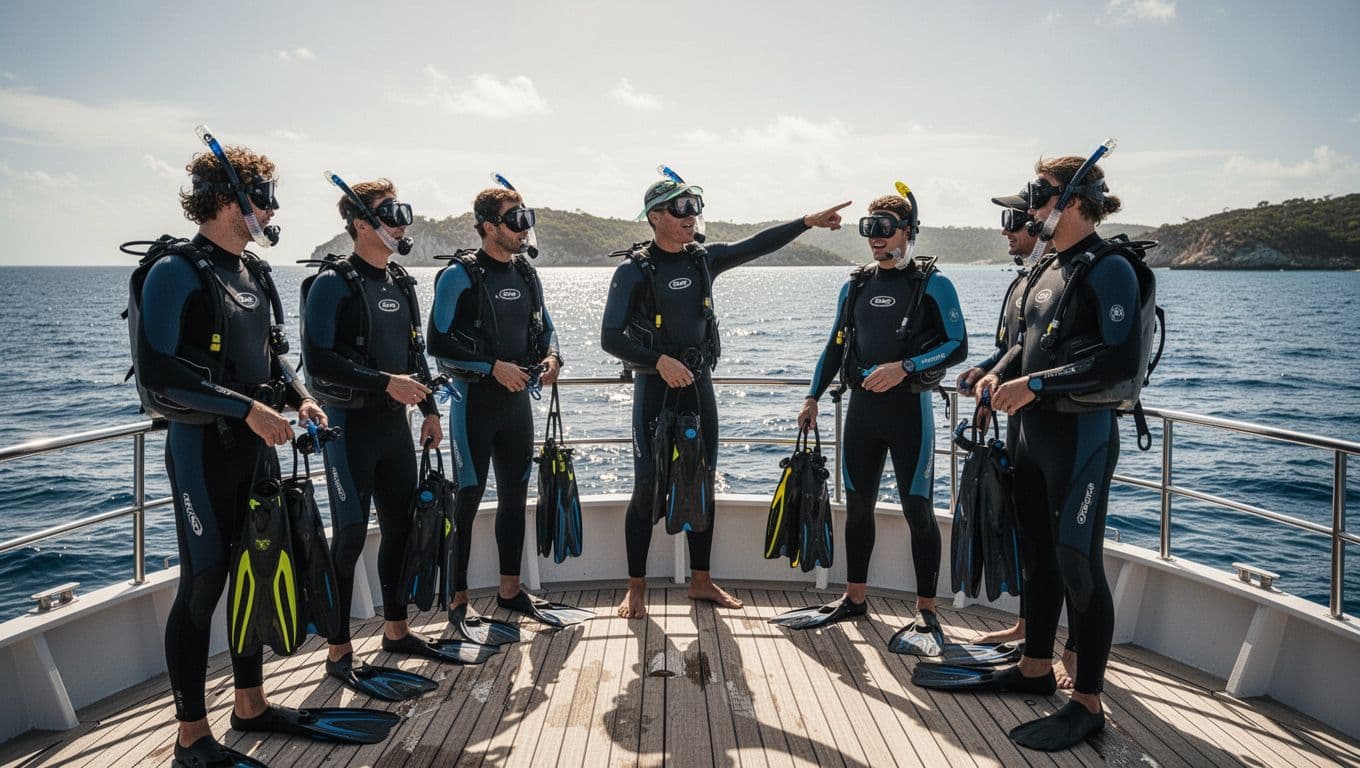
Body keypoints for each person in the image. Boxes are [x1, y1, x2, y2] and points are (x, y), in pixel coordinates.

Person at [135, 141, 392, 765]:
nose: (273, 211)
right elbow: (157, 375)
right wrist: (246, 409)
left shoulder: (252, 272)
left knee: (255, 564)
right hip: (203, 449)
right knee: (203, 584)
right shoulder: (177, 270)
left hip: (258, 447)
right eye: (266, 198)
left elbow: (272, 358)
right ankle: (191, 735)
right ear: (230, 200)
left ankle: (249, 706)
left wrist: (299, 397)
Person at [602, 172, 850, 619]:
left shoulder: (702, 261)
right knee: (646, 489)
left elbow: (755, 245)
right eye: (679, 209)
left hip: (697, 387)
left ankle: (701, 581)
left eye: (694, 206)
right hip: (655, 390)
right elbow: (609, 337)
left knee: (703, 483)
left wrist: (807, 222)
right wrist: (658, 362)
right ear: (655, 217)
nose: (690, 216)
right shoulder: (634, 271)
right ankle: (635, 588)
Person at [983, 155, 1141, 751]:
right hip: (1032, 434)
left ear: (1075, 201)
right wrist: (992, 376)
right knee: (1038, 556)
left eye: (1040, 193)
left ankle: (1087, 702)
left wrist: (1037, 386)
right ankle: (1033, 668)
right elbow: (1024, 349)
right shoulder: (1050, 267)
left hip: (1082, 437)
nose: (1030, 204)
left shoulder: (1110, 268)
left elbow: (1120, 359)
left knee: (1078, 560)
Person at [302, 178, 481, 689]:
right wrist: (387, 383)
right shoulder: (332, 284)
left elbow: (414, 356)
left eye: (405, 210)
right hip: (347, 427)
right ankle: (338, 653)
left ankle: (396, 631)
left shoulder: (401, 282)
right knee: (352, 535)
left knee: (402, 528)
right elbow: (319, 362)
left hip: (395, 427)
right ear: (361, 223)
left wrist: (427, 408)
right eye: (390, 212)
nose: (402, 220)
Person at [786, 193, 967, 631]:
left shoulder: (933, 285)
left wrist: (905, 367)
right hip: (862, 412)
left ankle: (927, 612)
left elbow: (958, 347)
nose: (875, 239)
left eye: (885, 228)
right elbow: (834, 346)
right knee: (858, 506)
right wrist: (812, 396)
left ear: (908, 230)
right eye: (869, 229)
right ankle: (854, 598)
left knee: (917, 510)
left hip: (910, 413)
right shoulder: (856, 286)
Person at [428, 185, 582, 632]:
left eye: (526, 217)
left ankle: (510, 591)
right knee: (468, 500)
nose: (524, 227)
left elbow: (547, 329)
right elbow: (439, 342)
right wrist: (491, 366)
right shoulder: (459, 275)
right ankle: (457, 602)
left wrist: (553, 359)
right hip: (474, 402)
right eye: (514, 220)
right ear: (489, 227)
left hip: (516, 405)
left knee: (516, 497)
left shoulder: (526, 274)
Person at [959, 188, 1080, 688]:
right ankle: (1030, 629)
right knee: (1033, 540)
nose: (1008, 228)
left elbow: (1062, 362)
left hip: (1068, 431)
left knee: (1070, 545)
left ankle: (1075, 652)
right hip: (1025, 426)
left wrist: (1027, 383)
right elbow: (1013, 351)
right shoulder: (1025, 284)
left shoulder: (1075, 277)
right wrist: (986, 375)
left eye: (1016, 218)